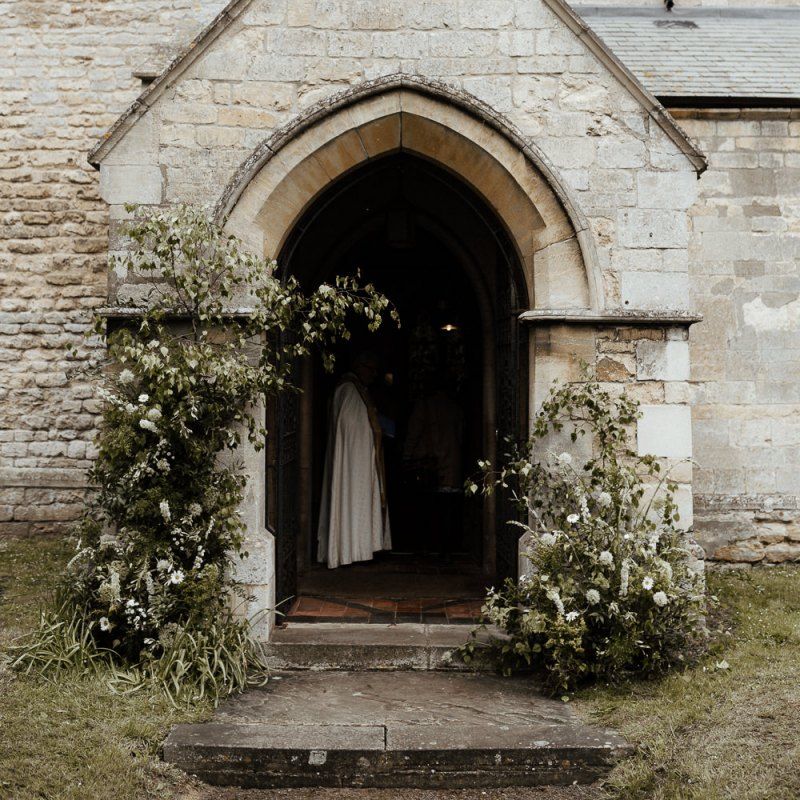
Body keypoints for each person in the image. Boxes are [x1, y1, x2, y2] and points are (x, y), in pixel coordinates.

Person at [317, 351, 392, 569]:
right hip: (354, 464)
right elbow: (351, 431)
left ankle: (359, 546)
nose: (374, 374)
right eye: (371, 369)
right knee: (351, 495)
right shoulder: (349, 390)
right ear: (359, 366)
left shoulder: (356, 390)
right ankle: (352, 548)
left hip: (361, 460)